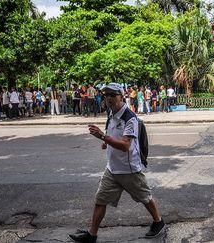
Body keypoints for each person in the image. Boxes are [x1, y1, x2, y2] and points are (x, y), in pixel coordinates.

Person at [68, 83, 165, 243]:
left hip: (129, 170)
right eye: (106, 95)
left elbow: (126, 145)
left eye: (113, 95)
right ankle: (92, 235)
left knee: (145, 198)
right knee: (100, 200)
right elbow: (111, 133)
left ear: (121, 96)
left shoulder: (130, 118)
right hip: (112, 169)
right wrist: (106, 141)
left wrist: (103, 137)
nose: (109, 98)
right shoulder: (111, 113)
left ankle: (158, 221)